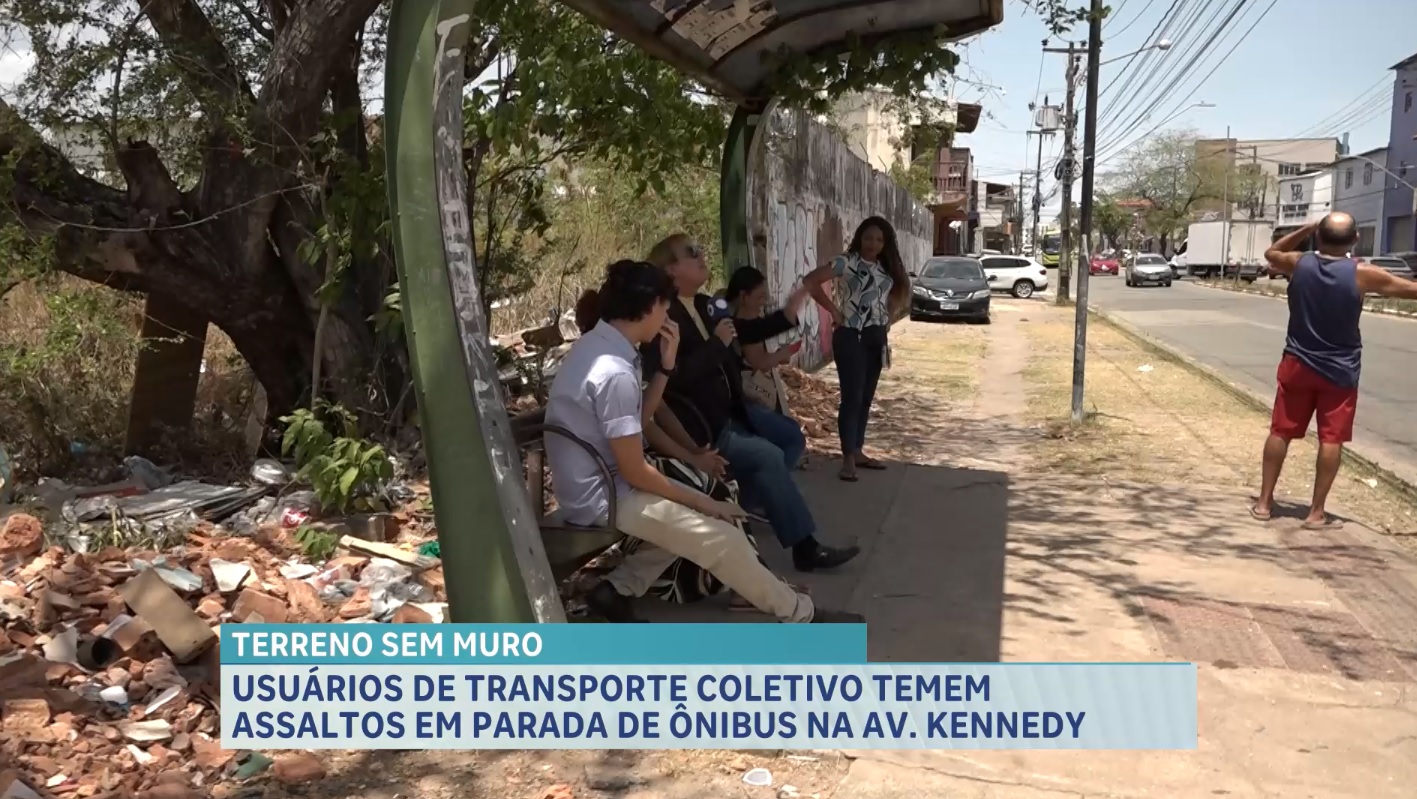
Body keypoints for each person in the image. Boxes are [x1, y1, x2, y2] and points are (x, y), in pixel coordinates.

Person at [546, 259, 860, 623]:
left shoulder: (602, 346)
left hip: (599, 484)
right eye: (665, 309)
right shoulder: (614, 371)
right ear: (650, 306)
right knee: (721, 537)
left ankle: (616, 590)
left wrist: (666, 366)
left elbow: (640, 420)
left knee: (702, 509)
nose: (667, 318)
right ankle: (800, 614)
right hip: (602, 497)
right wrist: (705, 504)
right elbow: (635, 471)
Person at [644, 233, 861, 573]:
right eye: (691, 252)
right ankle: (804, 546)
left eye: (700, 248)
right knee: (768, 456)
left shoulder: (704, 305)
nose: (701, 255)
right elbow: (671, 378)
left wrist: (789, 311)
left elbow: (745, 331)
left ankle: (758, 504)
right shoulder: (661, 316)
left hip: (733, 412)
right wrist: (717, 345)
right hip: (700, 429)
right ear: (671, 269)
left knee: (786, 439)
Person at [1251, 213, 1417, 528]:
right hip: (1340, 370)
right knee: (1331, 438)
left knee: (1280, 431)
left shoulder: (1299, 264)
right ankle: (1316, 513)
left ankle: (1263, 503)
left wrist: (1306, 228)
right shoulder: (1363, 274)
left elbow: (1272, 253)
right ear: (1355, 240)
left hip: (1297, 363)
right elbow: (1410, 290)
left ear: (1318, 237)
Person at [803, 216, 911, 482]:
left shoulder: (886, 267)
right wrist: (834, 311)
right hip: (851, 336)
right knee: (851, 397)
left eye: (879, 240)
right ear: (860, 238)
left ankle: (858, 450)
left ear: (885, 243)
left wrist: (887, 316)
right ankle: (848, 458)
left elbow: (899, 291)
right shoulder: (846, 262)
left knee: (865, 397)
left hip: (876, 337)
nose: (873, 244)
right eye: (868, 238)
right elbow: (811, 281)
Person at [726, 266, 808, 471]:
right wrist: (783, 353)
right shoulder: (743, 324)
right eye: (760, 297)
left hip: (745, 398)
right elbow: (758, 362)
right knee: (793, 438)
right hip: (748, 398)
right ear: (743, 296)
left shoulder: (741, 319)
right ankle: (775, 482)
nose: (764, 301)